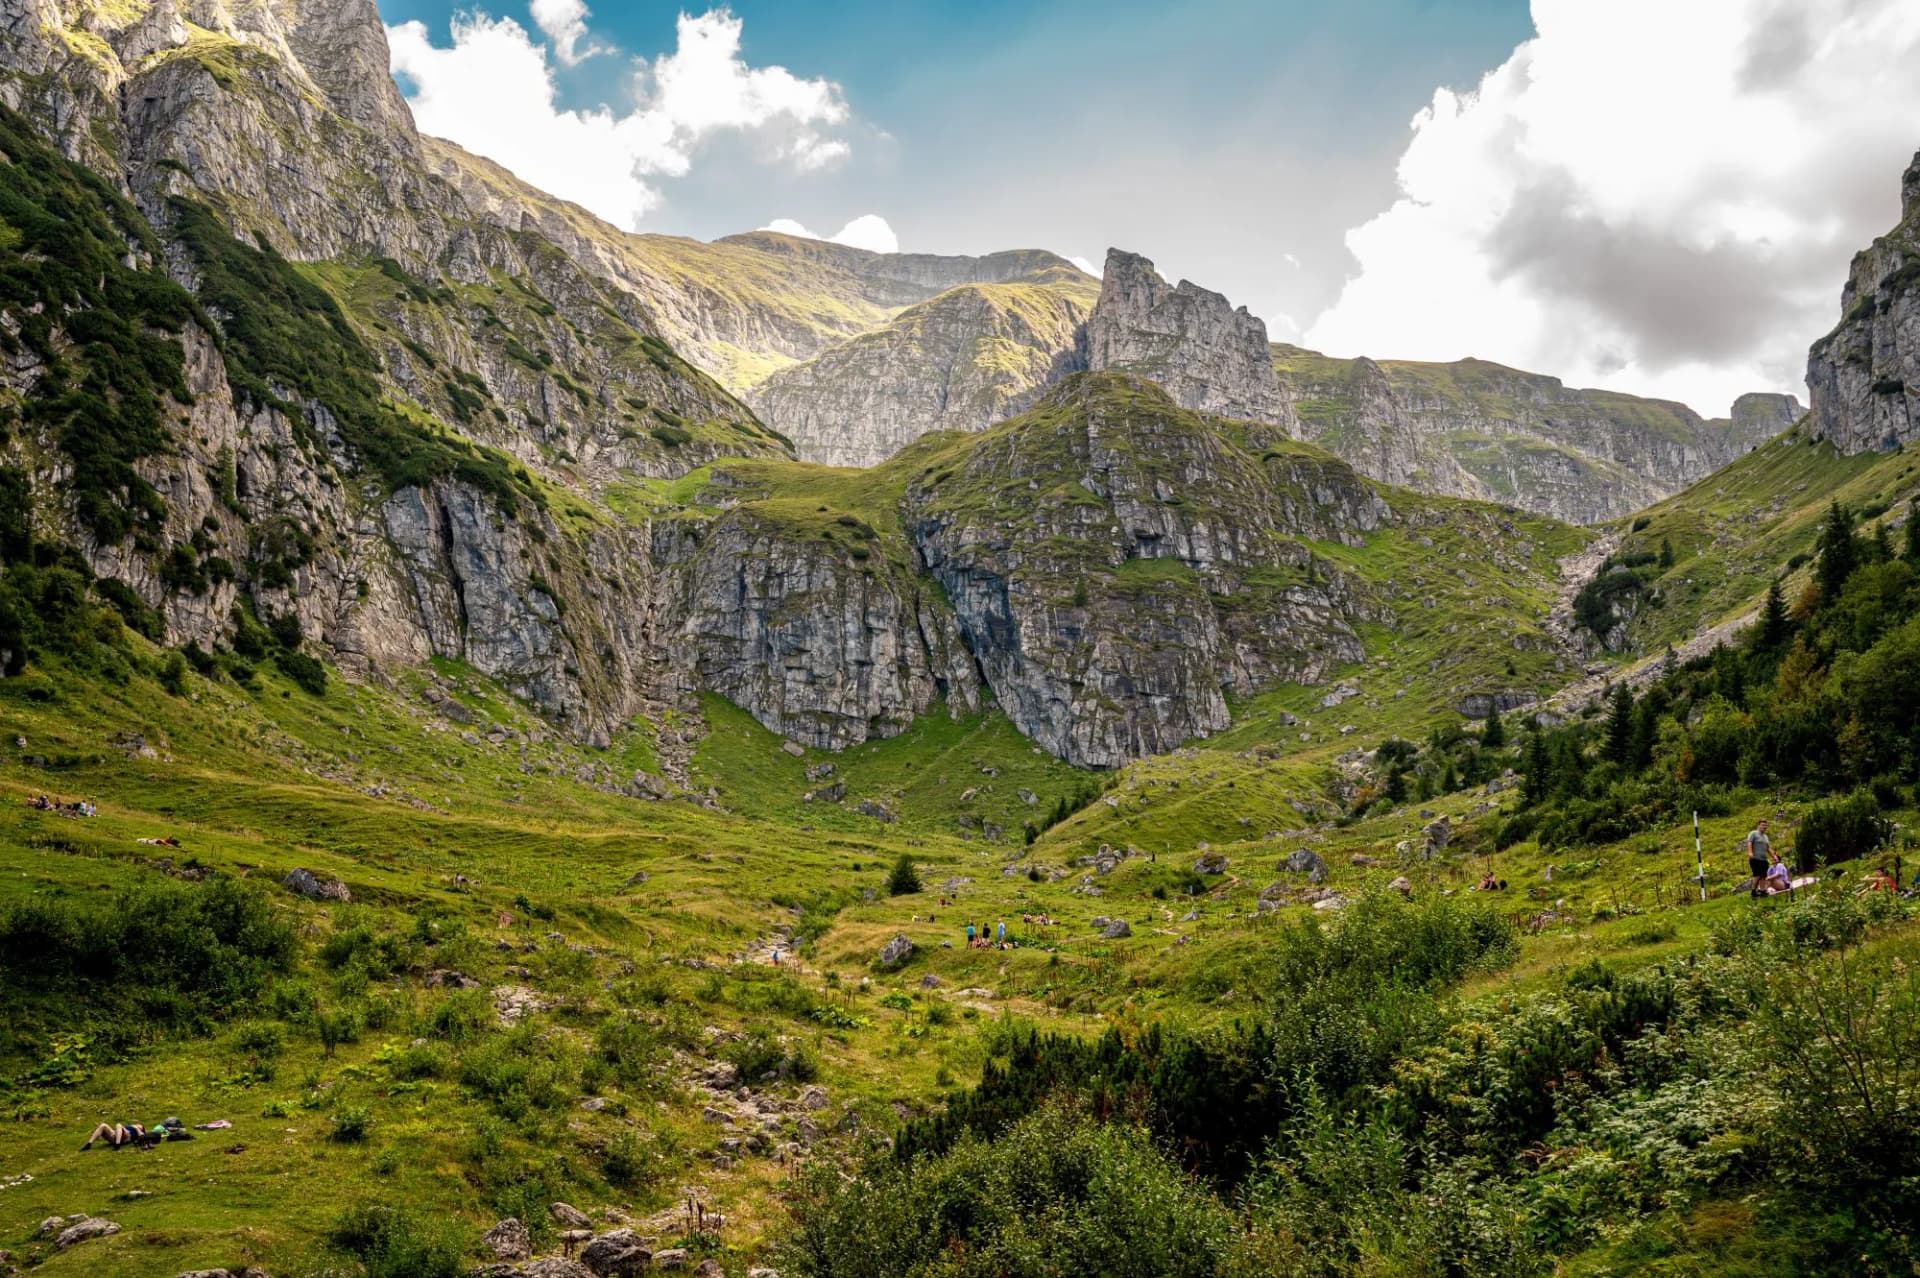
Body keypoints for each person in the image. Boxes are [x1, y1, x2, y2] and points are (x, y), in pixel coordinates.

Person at [1744, 819, 1773, 896]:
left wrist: (1774, 856)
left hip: (1764, 859)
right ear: (1758, 826)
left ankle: (1763, 890)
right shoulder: (1753, 833)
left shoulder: (1766, 837)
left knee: (1764, 875)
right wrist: (1750, 852)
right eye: (1763, 825)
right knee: (1757, 875)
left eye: (1766, 825)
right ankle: (1753, 890)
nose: (1765, 827)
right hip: (1755, 858)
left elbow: (1768, 848)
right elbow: (1749, 842)